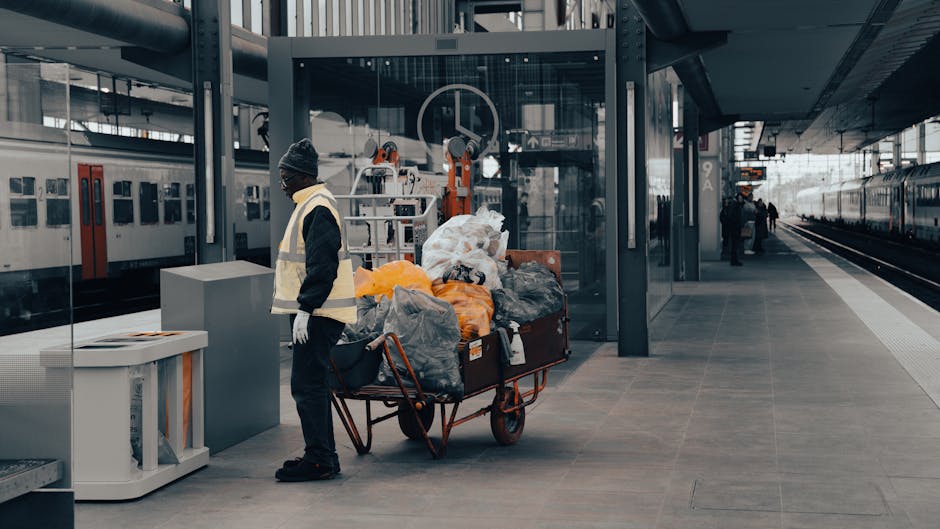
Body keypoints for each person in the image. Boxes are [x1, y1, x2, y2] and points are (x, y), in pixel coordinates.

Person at [271, 139, 357, 482]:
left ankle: (320, 460)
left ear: (304, 176)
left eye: (287, 176)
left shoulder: (317, 207)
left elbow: (322, 264)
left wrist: (306, 308)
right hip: (316, 312)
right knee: (312, 384)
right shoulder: (309, 204)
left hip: (319, 314)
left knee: (307, 386)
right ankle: (322, 456)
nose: (283, 183)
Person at [728, 194, 744, 266]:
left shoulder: (736, 205)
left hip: (735, 228)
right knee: (735, 245)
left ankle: (734, 260)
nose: (741, 200)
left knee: (735, 245)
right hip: (735, 228)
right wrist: (737, 225)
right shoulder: (735, 206)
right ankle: (735, 261)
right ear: (737, 198)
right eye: (740, 198)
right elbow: (734, 217)